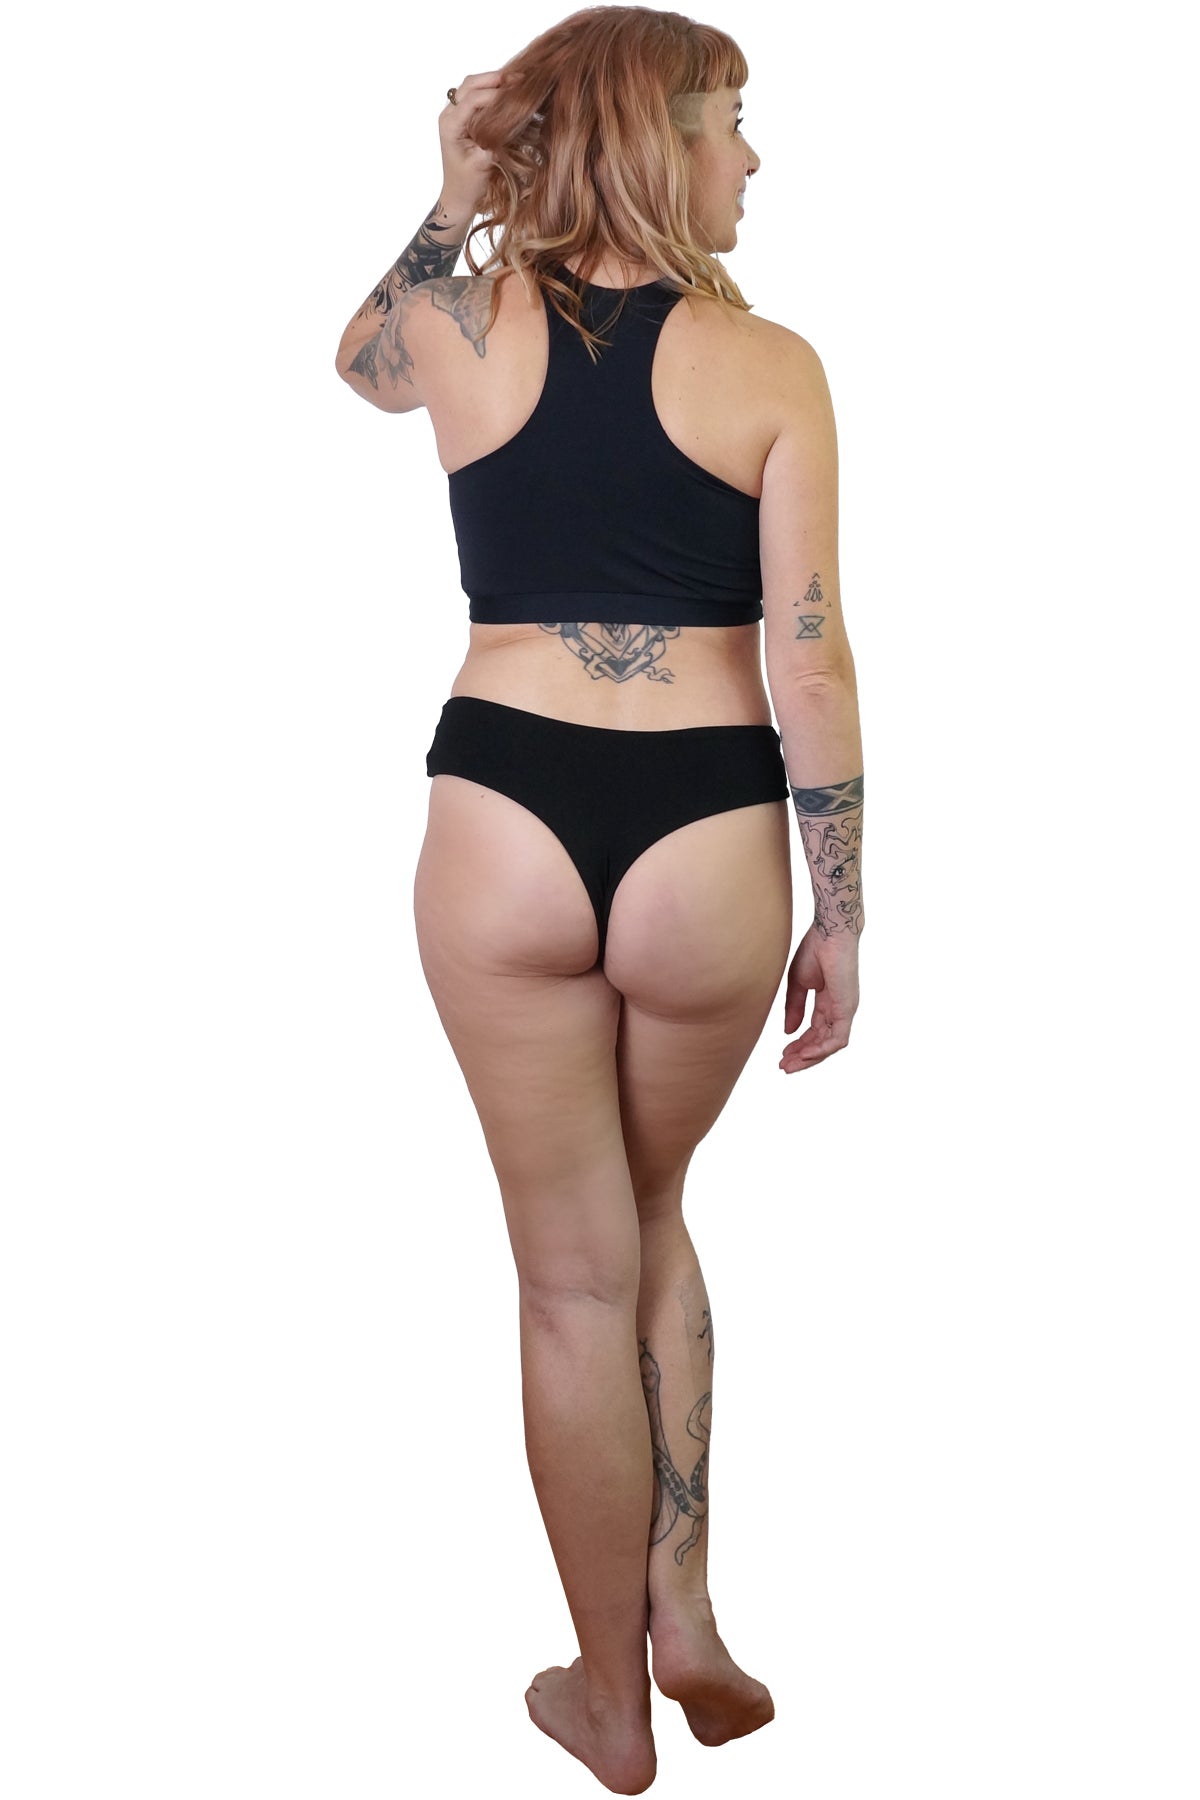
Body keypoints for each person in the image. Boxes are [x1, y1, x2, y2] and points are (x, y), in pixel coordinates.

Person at [334, 8, 864, 1792]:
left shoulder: (463, 322)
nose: (751, 158)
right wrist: (843, 905)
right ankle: (684, 1611)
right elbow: (812, 664)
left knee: (573, 1279)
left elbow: (359, 363)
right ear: (659, 137)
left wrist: (452, 186)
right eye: (731, 123)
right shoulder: (772, 365)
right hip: (707, 825)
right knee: (648, 1212)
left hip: (504, 804)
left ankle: (612, 1698)